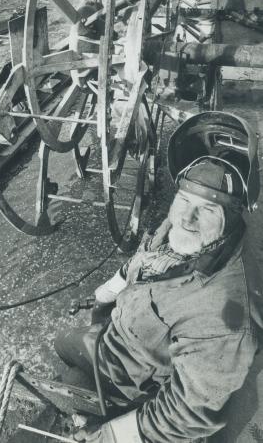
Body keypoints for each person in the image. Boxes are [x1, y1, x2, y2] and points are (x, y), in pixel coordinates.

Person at [55, 112, 263, 443]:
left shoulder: (225, 314)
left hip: (132, 378)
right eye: (184, 200)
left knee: (63, 350)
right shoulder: (181, 231)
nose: (187, 218)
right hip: (118, 338)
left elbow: (188, 413)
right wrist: (105, 294)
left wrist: (112, 434)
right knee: (63, 340)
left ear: (232, 216)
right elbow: (145, 259)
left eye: (208, 210)